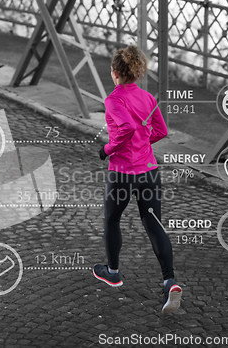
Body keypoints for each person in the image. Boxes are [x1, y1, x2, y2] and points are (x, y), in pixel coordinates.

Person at [93, 45, 182, 314]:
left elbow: (127, 128)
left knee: (112, 219)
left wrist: (108, 149)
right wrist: (144, 143)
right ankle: (169, 281)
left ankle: (113, 272)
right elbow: (161, 130)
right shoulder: (147, 97)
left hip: (122, 173)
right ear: (136, 71)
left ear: (115, 73)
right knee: (154, 225)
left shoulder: (113, 100)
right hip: (150, 172)